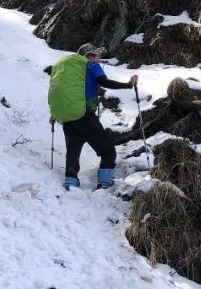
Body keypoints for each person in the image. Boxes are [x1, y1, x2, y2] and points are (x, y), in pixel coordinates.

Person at [48, 43, 139, 190]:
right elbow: (104, 82)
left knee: (73, 153)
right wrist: (128, 85)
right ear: (90, 55)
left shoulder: (67, 70)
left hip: (68, 120)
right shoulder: (90, 65)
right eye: (98, 55)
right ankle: (105, 183)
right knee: (108, 150)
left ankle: (71, 182)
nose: (99, 58)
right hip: (85, 117)